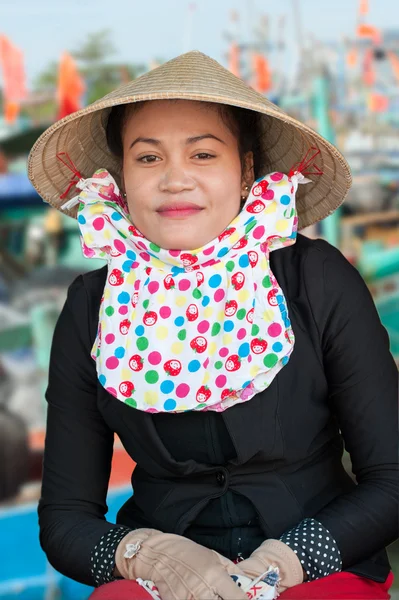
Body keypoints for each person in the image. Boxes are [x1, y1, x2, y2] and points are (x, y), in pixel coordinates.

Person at [28, 51, 398, 600]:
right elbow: (64, 519)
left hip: (319, 566)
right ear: (123, 181)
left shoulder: (316, 281)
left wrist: (288, 560)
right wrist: (148, 557)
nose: (176, 179)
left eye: (203, 153)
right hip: (161, 583)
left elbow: (392, 480)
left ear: (245, 171)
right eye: (148, 158)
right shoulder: (90, 308)